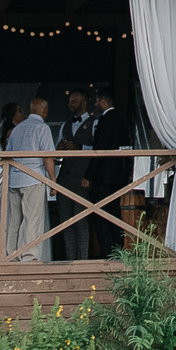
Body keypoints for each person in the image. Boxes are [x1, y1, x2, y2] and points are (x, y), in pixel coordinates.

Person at [0, 97, 54, 261]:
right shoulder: (42, 128)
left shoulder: (17, 129)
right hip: (33, 178)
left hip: (15, 179)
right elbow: (48, 156)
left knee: (14, 220)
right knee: (32, 219)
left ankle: (11, 254)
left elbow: (8, 156)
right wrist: (52, 180)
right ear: (44, 111)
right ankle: (29, 255)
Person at [86, 88, 134, 256]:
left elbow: (100, 149)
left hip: (104, 176)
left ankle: (108, 253)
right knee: (114, 214)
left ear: (104, 102)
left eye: (97, 101)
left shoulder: (107, 120)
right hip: (116, 175)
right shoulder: (119, 119)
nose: (96, 104)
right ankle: (118, 251)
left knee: (103, 217)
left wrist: (88, 175)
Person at [56, 89, 96, 262]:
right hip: (64, 178)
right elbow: (56, 155)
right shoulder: (65, 125)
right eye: (69, 102)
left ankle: (83, 261)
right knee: (66, 222)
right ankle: (69, 260)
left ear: (83, 102)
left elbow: (99, 149)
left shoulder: (95, 123)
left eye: (73, 101)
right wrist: (59, 149)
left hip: (82, 178)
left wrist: (79, 148)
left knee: (81, 221)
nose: (70, 105)